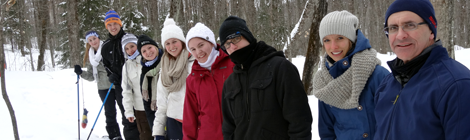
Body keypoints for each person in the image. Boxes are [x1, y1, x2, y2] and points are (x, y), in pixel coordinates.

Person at [374, 0, 470, 139]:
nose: (400, 35)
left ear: (431, 31)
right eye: (393, 28)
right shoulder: (387, 84)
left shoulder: (457, 85)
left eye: (410, 25)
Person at [219, 16, 312, 140]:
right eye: (227, 44)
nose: (233, 47)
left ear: (248, 37)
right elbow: (228, 129)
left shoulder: (280, 68)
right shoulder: (229, 84)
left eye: (236, 38)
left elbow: (300, 121)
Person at [310, 11, 389, 140]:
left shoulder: (377, 75)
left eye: (340, 38)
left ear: (351, 40)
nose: (333, 46)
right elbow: (327, 132)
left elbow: (394, 124)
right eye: (327, 40)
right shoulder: (324, 81)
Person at [183, 22, 234, 140]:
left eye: (201, 45)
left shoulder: (233, 66)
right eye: (193, 49)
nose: (198, 52)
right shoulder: (192, 79)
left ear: (211, 42)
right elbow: (190, 117)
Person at [75, 30, 127, 140]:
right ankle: (115, 135)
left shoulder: (107, 49)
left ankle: (131, 134)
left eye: (94, 38)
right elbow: (91, 76)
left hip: (116, 85)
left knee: (125, 110)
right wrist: (80, 73)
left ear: (98, 38)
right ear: (88, 42)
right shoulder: (90, 57)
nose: (93, 41)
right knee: (109, 113)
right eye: (90, 40)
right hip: (103, 88)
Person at [152, 18, 194, 140]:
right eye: (167, 43)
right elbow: (162, 102)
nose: (171, 46)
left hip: (194, 120)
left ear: (182, 42)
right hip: (173, 123)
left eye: (174, 41)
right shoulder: (164, 69)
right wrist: (158, 131)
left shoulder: (194, 64)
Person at [100, 10, 140, 140]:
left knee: (142, 114)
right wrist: (111, 75)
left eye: (115, 23)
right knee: (128, 115)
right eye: (109, 24)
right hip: (120, 87)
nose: (113, 27)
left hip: (138, 83)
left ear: (120, 24)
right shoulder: (105, 46)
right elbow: (106, 64)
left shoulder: (130, 39)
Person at [121, 33, 153, 140]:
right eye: (127, 48)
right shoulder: (126, 67)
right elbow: (127, 91)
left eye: (132, 46)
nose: (130, 50)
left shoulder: (148, 59)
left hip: (155, 106)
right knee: (145, 136)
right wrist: (129, 111)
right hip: (140, 109)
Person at [137, 34, 163, 132]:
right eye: (144, 51)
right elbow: (146, 103)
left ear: (155, 46)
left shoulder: (167, 60)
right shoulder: (144, 73)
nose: (148, 52)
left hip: (173, 112)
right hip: (156, 114)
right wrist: (154, 126)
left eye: (149, 47)